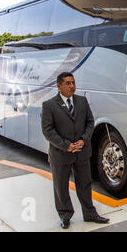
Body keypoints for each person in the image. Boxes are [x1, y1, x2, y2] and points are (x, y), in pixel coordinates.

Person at [41, 72, 109, 229]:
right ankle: (65, 216)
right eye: (67, 83)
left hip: (82, 152)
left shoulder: (82, 101)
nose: (72, 86)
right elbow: (48, 131)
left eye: (73, 82)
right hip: (61, 153)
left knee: (85, 184)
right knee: (61, 186)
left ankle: (90, 213)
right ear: (59, 86)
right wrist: (67, 145)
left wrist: (83, 140)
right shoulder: (49, 105)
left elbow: (90, 123)